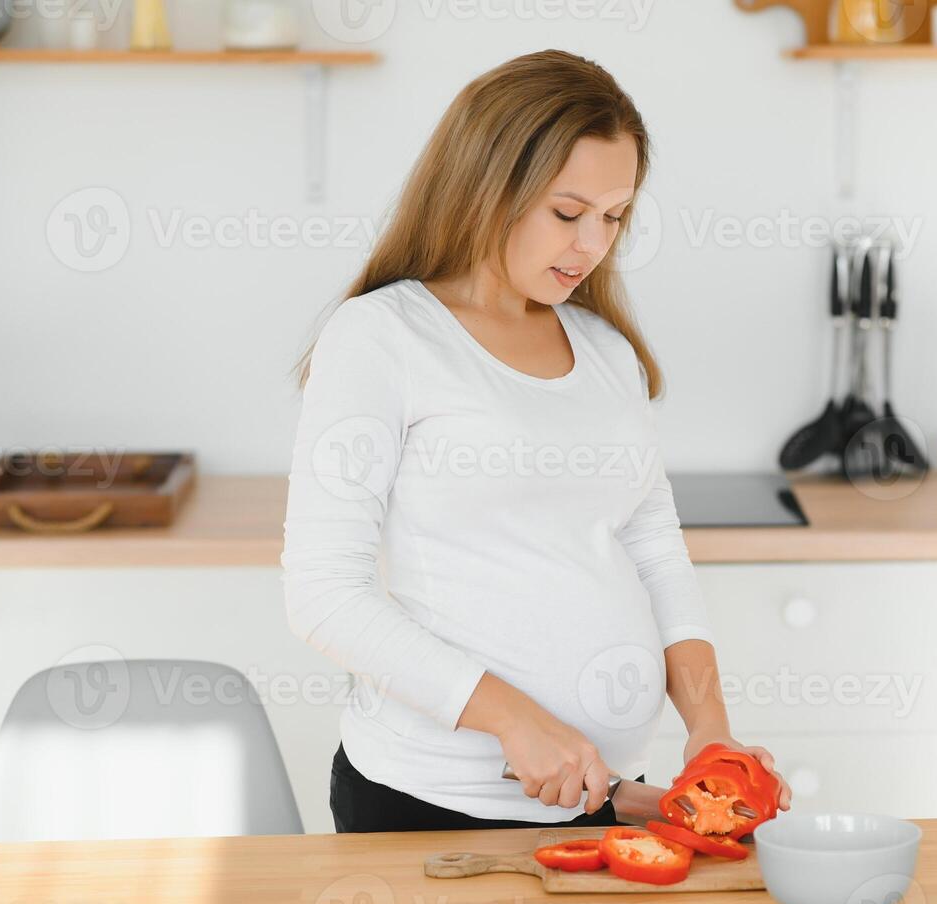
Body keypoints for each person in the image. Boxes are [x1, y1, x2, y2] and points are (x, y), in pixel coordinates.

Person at [281, 49, 792, 833]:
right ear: (489, 186)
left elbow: (654, 549)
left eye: (615, 216)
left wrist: (708, 729)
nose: (591, 244)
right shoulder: (384, 336)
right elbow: (324, 595)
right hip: (429, 801)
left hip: (598, 795)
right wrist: (513, 719)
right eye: (566, 212)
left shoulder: (604, 349)